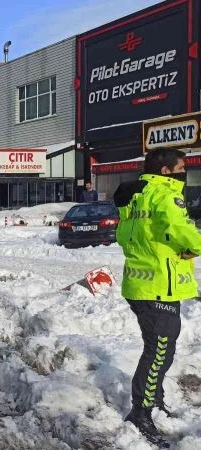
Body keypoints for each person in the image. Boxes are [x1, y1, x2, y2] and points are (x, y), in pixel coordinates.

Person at [113, 148, 201, 447]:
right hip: (159, 286)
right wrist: (194, 246)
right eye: (181, 167)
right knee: (159, 351)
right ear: (166, 171)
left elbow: (127, 236)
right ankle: (140, 412)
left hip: (141, 285)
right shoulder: (164, 194)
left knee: (161, 348)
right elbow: (180, 229)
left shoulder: (136, 194)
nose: (184, 172)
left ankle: (155, 400)